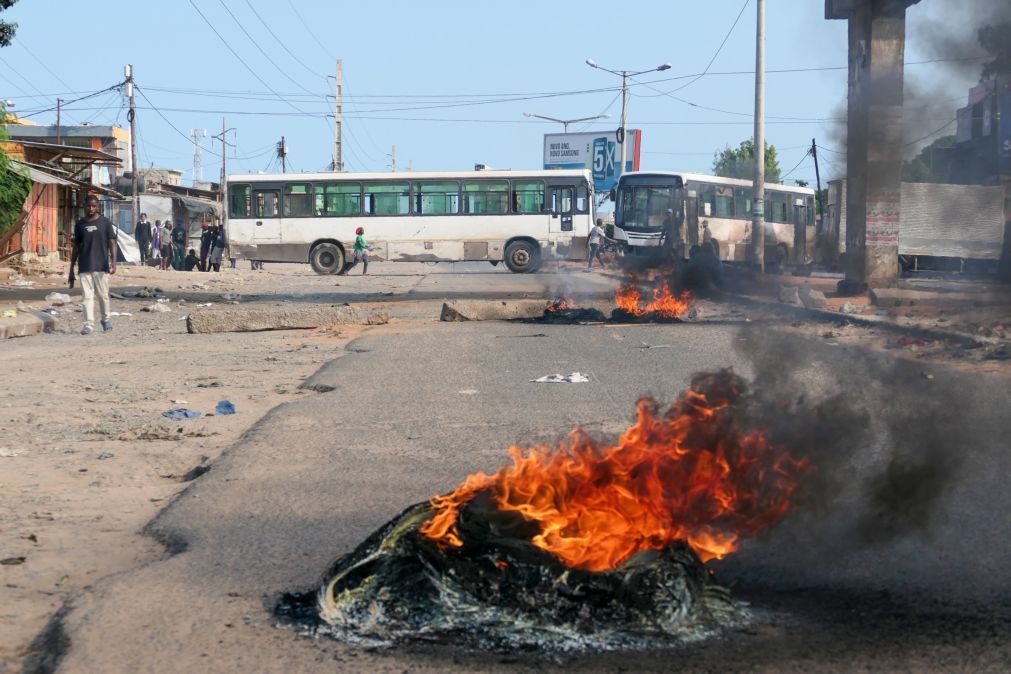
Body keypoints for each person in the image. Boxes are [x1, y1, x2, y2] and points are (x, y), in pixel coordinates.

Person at [68, 195, 117, 335]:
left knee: (103, 295)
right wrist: (71, 269)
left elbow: (112, 243)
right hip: (84, 266)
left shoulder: (105, 223)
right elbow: (76, 247)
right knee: (87, 297)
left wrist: (113, 262)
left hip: (101, 266)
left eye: (94, 206)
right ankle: (88, 324)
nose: (91, 208)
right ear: (84, 206)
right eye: (89, 206)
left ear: (97, 207)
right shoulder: (80, 224)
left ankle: (106, 320)